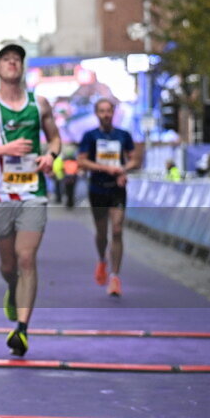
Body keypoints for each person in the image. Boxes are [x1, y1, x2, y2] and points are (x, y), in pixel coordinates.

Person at [0, 43, 61, 358]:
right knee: (8, 266)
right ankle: (11, 287)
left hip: (33, 193)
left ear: (22, 67)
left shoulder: (40, 104)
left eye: (17, 60)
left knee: (26, 258)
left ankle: (21, 329)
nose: (12, 64)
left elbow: (55, 138)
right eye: (6, 59)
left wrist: (51, 156)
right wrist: (3, 150)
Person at [77, 98, 140, 297]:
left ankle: (115, 277)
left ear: (114, 113)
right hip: (97, 188)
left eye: (108, 111)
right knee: (102, 233)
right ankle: (102, 260)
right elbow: (81, 162)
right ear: (97, 114)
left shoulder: (123, 135)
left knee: (118, 229)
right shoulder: (90, 136)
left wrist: (122, 169)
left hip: (117, 188)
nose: (105, 114)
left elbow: (135, 160)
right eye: (102, 111)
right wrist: (106, 168)